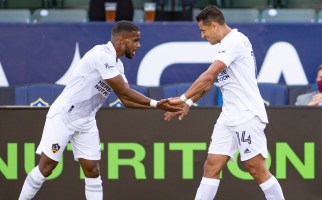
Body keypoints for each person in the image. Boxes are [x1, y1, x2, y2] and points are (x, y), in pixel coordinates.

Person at [18, 20, 181, 200]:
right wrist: (157, 104)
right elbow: (124, 91)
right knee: (47, 167)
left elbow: (125, 100)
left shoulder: (118, 65)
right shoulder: (101, 55)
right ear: (122, 40)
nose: (138, 45)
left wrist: (158, 106)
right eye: (135, 40)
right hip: (64, 116)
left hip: (86, 121)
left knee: (92, 171)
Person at [164, 5, 285, 200]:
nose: (202, 36)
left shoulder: (235, 41)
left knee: (256, 169)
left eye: (203, 31)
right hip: (228, 116)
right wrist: (189, 102)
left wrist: (183, 97)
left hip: (246, 114)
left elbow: (209, 74)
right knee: (211, 165)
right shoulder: (224, 45)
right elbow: (210, 82)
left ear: (214, 26)